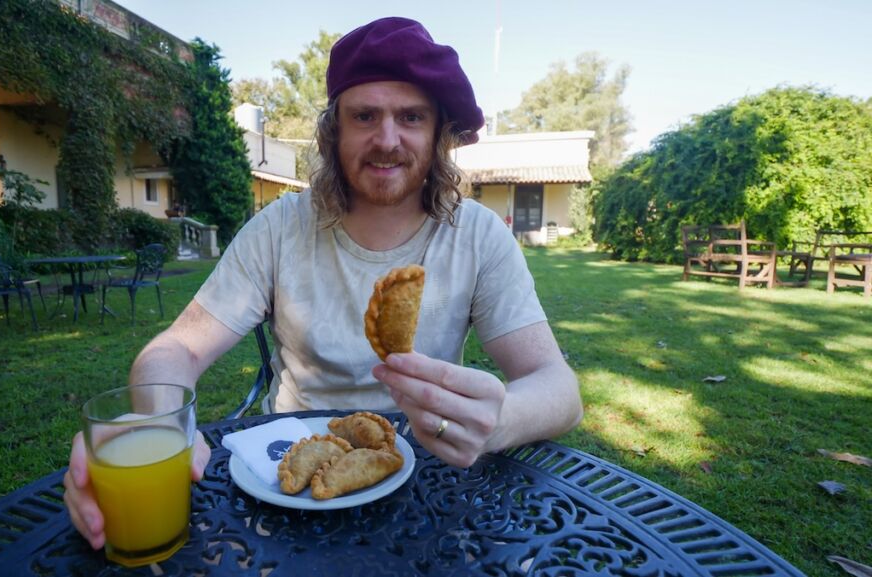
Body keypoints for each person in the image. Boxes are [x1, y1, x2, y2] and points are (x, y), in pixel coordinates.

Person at [64, 16, 582, 550]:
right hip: (287, 487)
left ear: (437, 133)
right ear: (335, 131)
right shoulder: (280, 226)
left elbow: (559, 388)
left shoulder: (476, 235)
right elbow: (176, 349)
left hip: (429, 484)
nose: (387, 139)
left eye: (411, 116)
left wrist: (499, 420)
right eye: (364, 116)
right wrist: (156, 427)